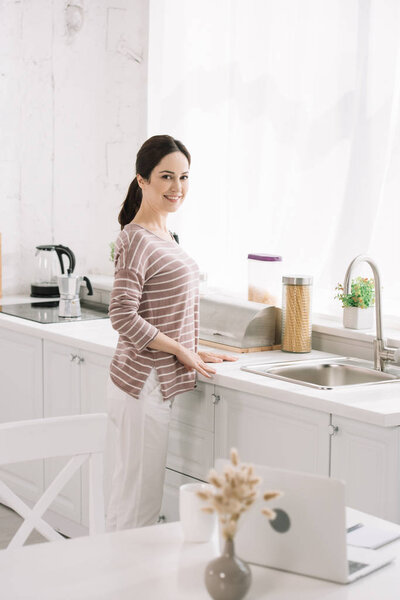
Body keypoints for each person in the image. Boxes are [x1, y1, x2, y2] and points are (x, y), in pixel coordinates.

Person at [106, 134, 237, 531]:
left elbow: (164, 309)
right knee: (138, 505)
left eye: (183, 177)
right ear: (142, 180)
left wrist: (194, 348)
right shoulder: (135, 238)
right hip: (143, 382)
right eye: (166, 177)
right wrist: (181, 350)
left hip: (152, 382)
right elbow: (122, 315)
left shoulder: (166, 236)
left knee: (133, 496)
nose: (177, 188)